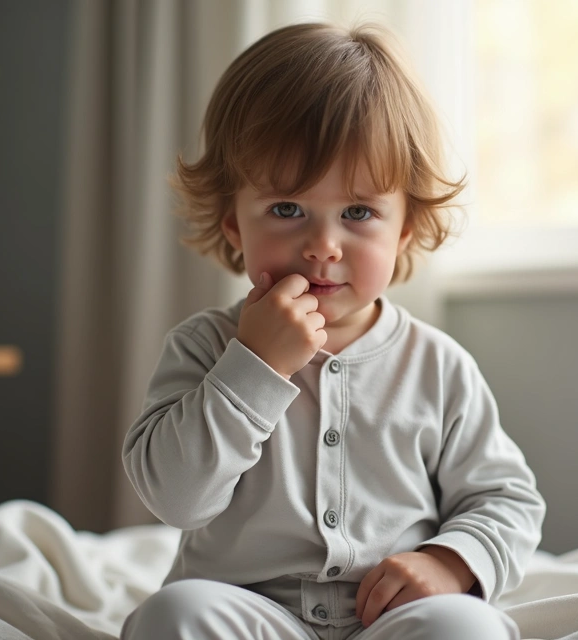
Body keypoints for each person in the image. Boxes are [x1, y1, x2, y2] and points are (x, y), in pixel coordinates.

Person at [121, 21, 545, 640]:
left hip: (393, 620)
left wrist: (451, 563)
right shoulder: (202, 347)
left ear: (403, 228)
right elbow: (176, 500)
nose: (322, 247)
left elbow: (507, 500)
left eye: (358, 212)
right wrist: (255, 366)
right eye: (287, 209)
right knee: (171, 617)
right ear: (235, 223)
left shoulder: (438, 366)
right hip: (251, 614)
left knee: (468, 627)